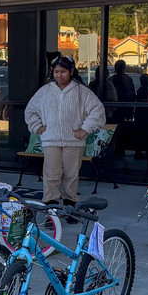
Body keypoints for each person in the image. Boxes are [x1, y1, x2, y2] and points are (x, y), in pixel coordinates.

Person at [24, 55, 106, 213]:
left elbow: (97, 110)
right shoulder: (45, 91)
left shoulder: (82, 92)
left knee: (71, 176)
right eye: (56, 72)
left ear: (72, 71)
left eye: (63, 72)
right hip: (51, 140)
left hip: (73, 141)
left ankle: (70, 209)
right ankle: (51, 213)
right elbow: (31, 110)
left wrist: (85, 129)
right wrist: (36, 126)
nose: (59, 75)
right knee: (51, 176)